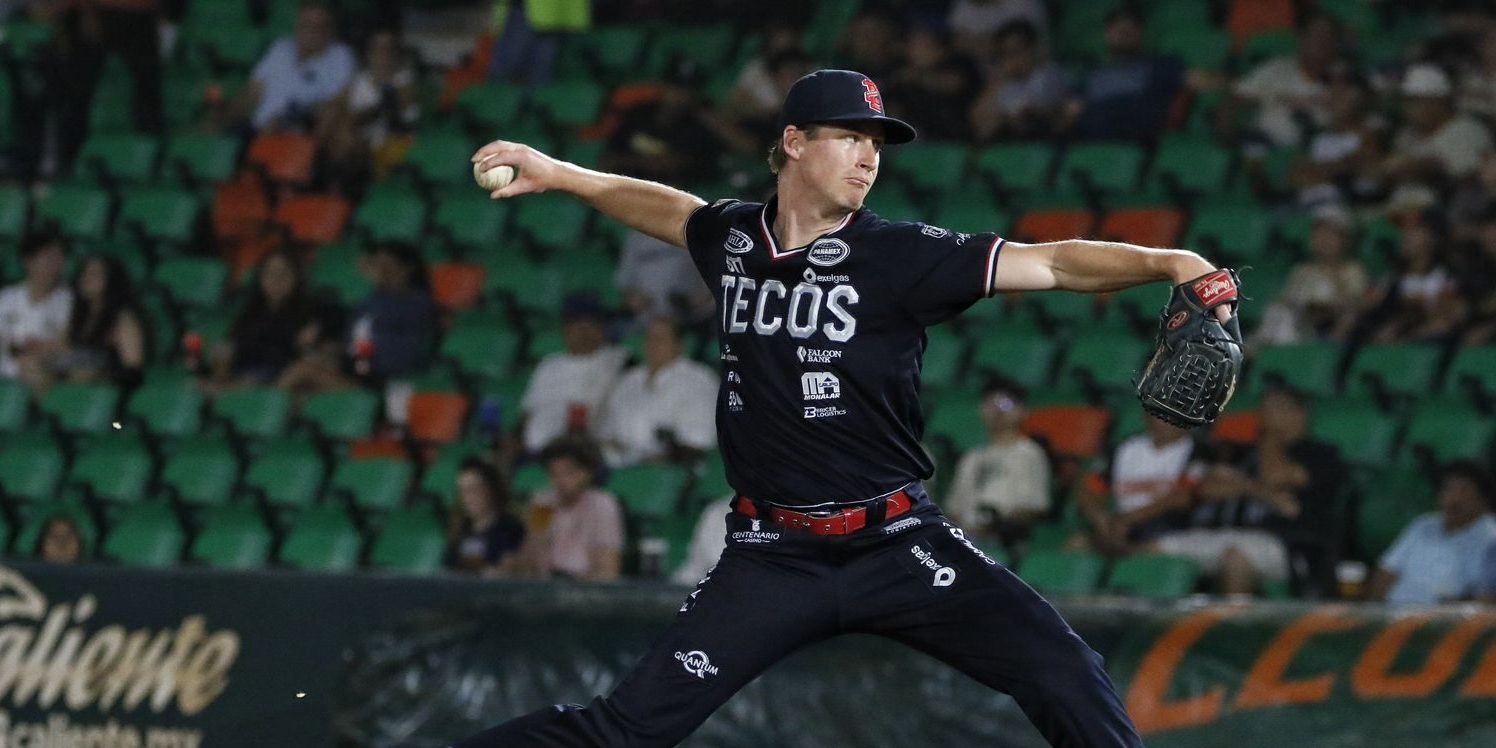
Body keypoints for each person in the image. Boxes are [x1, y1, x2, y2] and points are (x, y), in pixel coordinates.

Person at [457, 67, 1235, 747]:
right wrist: (559, 173)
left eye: (876, 143)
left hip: (897, 540)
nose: (868, 156)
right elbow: (671, 212)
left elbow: (1056, 263)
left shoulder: (902, 254)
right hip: (771, 554)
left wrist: (1170, 260)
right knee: (625, 730)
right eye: (849, 136)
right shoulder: (733, 238)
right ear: (794, 141)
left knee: (1064, 671)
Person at [1156, 386, 1343, 596]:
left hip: (1288, 544)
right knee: (1155, 549)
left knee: (1235, 557)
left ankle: (1233, 627)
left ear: (1299, 414)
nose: (1264, 414)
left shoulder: (1321, 454)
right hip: (1227, 532)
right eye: (1264, 407)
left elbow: (1273, 476)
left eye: (1275, 408)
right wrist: (1256, 490)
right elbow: (1206, 489)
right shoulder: (1242, 451)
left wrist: (1269, 435)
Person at [277, 242, 436, 395]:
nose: (380, 271)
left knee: (303, 371)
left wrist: (348, 357)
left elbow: (400, 354)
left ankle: (267, 406)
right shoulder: (369, 302)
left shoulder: (416, 303)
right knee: (302, 390)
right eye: (377, 264)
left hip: (380, 383)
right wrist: (335, 350)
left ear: (408, 268)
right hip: (356, 372)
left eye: (387, 265)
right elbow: (353, 338)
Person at [211, 1, 356, 133]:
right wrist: (223, 117)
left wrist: (288, 119)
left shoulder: (341, 56)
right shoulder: (280, 48)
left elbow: (337, 105)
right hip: (256, 132)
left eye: (319, 26)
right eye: (306, 24)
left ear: (330, 29)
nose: (311, 31)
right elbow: (252, 93)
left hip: (298, 137)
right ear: (297, 24)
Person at [1366, 460, 1496, 605]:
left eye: (1464, 491)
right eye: (1448, 489)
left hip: (1447, 622)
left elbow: (1486, 599)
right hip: (1394, 617)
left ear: (1483, 499)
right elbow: (1386, 572)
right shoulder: (1423, 524)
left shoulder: (1491, 539)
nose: (1454, 499)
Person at [596, 317, 717, 468]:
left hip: (673, 472)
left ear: (679, 344)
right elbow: (606, 433)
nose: (653, 344)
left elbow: (698, 444)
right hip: (620, 470)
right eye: (649, 337)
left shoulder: (699, 380)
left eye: (661, 338)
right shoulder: (629, 380)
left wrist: (648, 462)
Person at [1077, 409, 1200, 556]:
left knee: (1150, 551)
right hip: (1119, 528)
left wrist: (1128, 520)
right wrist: (1101, 519)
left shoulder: (1199, 451)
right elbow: (1090, 488)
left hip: (1170, 529)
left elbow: (1185, 497)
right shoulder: (1124, 448)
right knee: (1077, 545)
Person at [517, 295, 628, 455]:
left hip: (582, 451)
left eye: (591, 324)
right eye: (578, 325)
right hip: (535, 449)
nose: (585, 332)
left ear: (601, 328)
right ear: (566, 329)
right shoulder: (549, 365)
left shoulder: (616, 359)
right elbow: (527, 411)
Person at [943, 378, 1050, 542]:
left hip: (1003, 540)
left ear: (1022, 411)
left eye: (1006, 404)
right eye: (991, 404)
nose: (998, 411)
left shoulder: (1029, 453)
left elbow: (1032, 508)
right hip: (964, 540)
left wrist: (995, 525)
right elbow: (954, 508)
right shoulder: (972, 457)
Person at [210, 249, 334, 388]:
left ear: (296, 278)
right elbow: (231, 346)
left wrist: (317, 327)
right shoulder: (250, 312)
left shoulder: (312, 309)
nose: (276, 280)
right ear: (260, 278)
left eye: (284, 273)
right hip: (244, 374)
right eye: (270, 273)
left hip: (279, 377)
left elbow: (333, 318)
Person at [21, 255, 147, 391]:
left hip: (104, 379)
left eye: (94, 274)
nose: (86, 278)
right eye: (84, 273)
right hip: (74, 367)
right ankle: (44, 408)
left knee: (81, 372)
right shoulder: (79, 314)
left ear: (111, 280)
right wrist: (41, 347)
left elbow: (133, 368)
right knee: (31, 364)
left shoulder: (123, 318)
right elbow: (65, 347)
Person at [1218, 14, 1344, 149]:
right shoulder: (1276, 68)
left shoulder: (1347, 79)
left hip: (1320, 153)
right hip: (1264, 148)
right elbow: (1233, 99)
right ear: (1303, 38)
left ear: (1336, 44)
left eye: (1329, 36)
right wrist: (1227, 136)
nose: (1322, 41)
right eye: (1317, 35)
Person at [1251, 204, 1370, 346]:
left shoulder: (1352, 270)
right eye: (1319, 234)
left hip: (1331, 329)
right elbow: (1287, 300)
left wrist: (1332, 277)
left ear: (1343, 240)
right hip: (1299, 324)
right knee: (1278, 312)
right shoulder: (1302, 270)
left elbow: (1355, 305)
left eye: (1331, 235)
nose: (1324, 240)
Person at [1059, 8, 1185, 142]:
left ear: (1141, 32)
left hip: (1135, 139)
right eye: (1118, 30)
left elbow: (1195, 81)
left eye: (1129, 29)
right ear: (1107, 34)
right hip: (1089, 139)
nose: (1124, 34)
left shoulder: (1161, 66)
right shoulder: (1091, 73)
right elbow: (1070, 110)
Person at [320, 28, 420, 188]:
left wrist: (357, 119)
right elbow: (337, 108)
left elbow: (398, 111)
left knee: (347, 138)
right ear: (369, 53)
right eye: (379, 48)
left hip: (393, 142)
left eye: (389, 49)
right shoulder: (359, 80)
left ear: (397, 53)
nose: (384, 54)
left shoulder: (405, 80)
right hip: (357, 143)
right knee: (336, 126)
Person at [512, 437, 623, 581]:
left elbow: (608, 571)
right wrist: (536, 535)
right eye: (554, 473)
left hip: (582, 591)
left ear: (588, 472)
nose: (560, 480)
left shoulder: (603, 505)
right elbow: (526, 566)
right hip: (544, 589)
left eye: (568, 472)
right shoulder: (542, 502)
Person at [1383, 63, 1494, 188]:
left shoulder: (1468, 130)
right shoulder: (1407, 134)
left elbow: (1474, 183)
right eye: (1406, 102)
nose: (1408, 109)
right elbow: (1389, 168)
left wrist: (1430, 169)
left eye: (1415, 101)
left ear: (1439, 101)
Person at [969, 20, 1069, 141]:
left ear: (1033, 48)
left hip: (1040, 143)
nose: (1012, 58)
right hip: (1006, 145)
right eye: (1005, 53)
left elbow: (1044, 114)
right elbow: (977, 119)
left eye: (1017, 50)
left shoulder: (1049, 74)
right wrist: (997, 81)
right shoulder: (1002, 80)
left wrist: (1002, 119)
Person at [0, 231, 73, 384]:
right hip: (6, 363)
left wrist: (36, 348)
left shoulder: (69, 301)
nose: (55, 264)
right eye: (48, 258)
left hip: (42, 368)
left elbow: (65, 345)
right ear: (28, 261)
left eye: (59, 258)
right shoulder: (7, 297)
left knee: (33, 369)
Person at [444, 458, 526, 576]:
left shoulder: (512, 530)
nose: (467, 498)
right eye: (462, 491)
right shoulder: (460, 530)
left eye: (473, 490)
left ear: (491, 489)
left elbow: (510, 570)